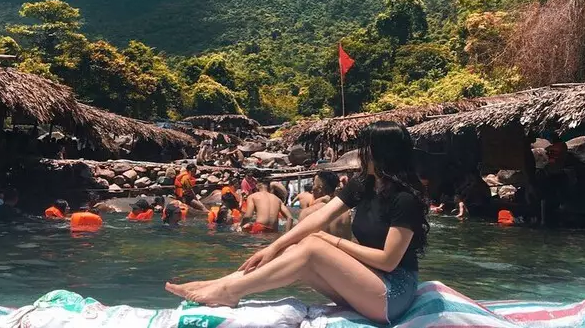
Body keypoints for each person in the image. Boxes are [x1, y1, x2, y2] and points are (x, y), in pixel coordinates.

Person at [166, 121, 429, 324]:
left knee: (314, 245)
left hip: (392, 294)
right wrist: (274, 247)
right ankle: (221, 284)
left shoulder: (404, 199)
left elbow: (388, 261)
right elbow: (320, 218)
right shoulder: (365, 184)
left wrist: (330, 240)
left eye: (367, 147)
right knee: (296, 250)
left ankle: (229, 291)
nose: (362, 153)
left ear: (384, 152)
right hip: (369, 284)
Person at [299, 170, 352, 240]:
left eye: (313, 184)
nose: (312, 189)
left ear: (320, 189)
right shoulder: (345, 214)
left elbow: (298, 243)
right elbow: (348, 240)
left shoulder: (307, 213)